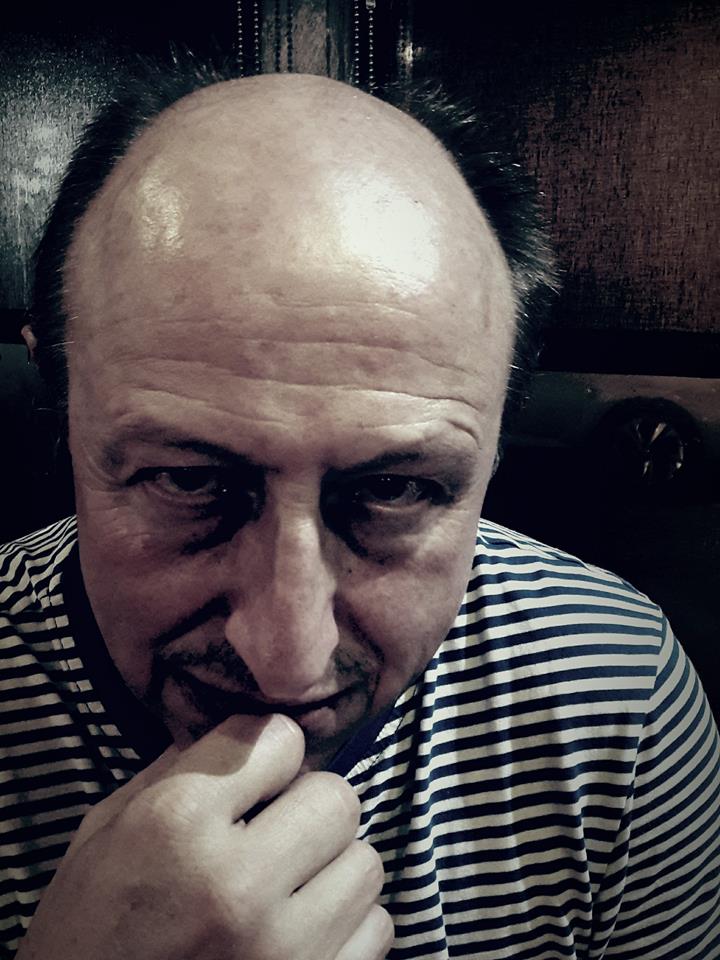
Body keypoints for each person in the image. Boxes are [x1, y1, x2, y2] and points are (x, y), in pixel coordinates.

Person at [1, 62, 718, 960]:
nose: (288, 662)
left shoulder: (614, 693)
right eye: (187, 480)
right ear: (60, 409)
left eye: (396, 490)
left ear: (497, 446)